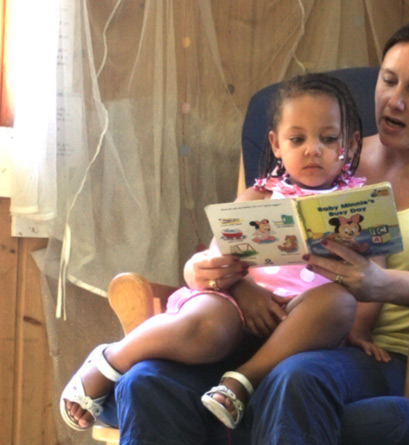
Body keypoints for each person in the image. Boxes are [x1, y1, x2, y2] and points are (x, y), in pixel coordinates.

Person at [99, 16, 409, 445]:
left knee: (296, 376)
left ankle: (248, 380)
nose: (394, 102)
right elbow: (243, 240)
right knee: (147, 379)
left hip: (370, 349)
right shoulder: (318, 152)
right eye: (388, 81)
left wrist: (380, 284)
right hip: (264, 327)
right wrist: (215, 276)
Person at [60, 72, 390, 432]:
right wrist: (240, 288)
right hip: (237, 306)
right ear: (276, 144)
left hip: (299, 319)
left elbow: (376, 274)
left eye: (329, 139)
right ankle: (111, 359)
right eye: (297, 139)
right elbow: (220, 258)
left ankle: (241, 381)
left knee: (339, 303)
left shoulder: (358, 206)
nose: (314, 149)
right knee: (207, 323)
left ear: (352, 143)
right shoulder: (258, 197)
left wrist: (359, 328)